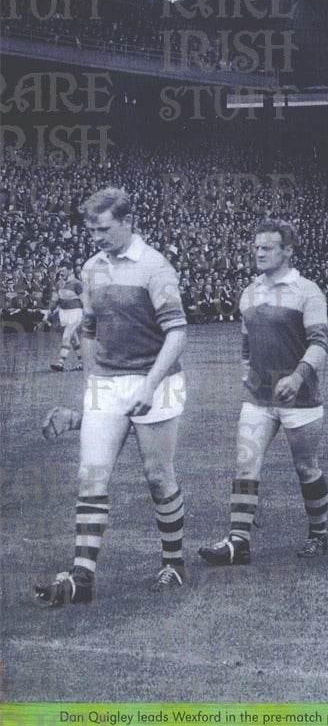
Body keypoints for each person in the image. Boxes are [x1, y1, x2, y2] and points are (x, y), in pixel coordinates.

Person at [34, 187, 188, 606]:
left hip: (156, 379)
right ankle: (82, 577)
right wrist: (91, 392)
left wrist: (150, 385)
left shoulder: (155, 267)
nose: (97, 237)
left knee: (158, 476)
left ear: (126, 222)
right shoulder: (90, 269)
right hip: (106, 381)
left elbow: (177, 332)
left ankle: (173, 564)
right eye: (91, 230)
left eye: (103, 229)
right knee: (91, 475)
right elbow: (87, 329)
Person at [198, 220, 328, 566]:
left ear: (287, 250)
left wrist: (298, 377)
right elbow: (245, 341)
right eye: (255, 247)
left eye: (267, 248)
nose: (258, 253)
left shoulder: (307, 290)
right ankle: (238, 542)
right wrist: (246, 371)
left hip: (299, 398)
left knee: (306, 467)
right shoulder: (250, 291)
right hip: (259, 398)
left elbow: (319, 344)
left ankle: (318, 534)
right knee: (245, 464)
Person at [48, 264, 84, 372]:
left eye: (63, 271)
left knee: (66, 337)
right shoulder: (59, 283)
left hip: (75, 312)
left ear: (70, 270)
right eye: (60, 271)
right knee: (73, 338)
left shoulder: (77, 284)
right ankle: (83, 362)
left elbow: (85, 301)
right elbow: (54, 300)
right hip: (64, 313)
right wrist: (49, 311)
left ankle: (60, 363)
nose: (61, 273)